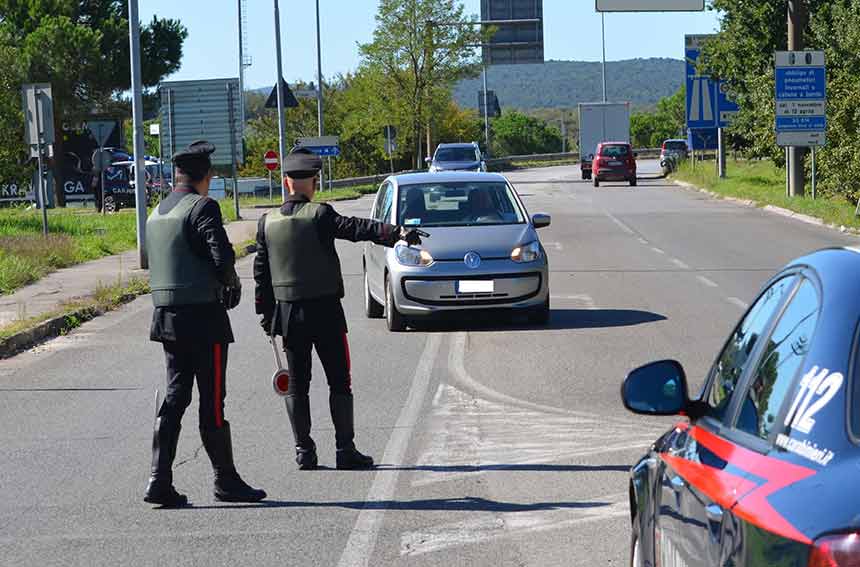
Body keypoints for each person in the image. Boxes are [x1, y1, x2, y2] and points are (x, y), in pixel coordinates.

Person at [254, 148, 422, 470]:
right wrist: (397, 234)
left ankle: (304, 451)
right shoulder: (320, 215)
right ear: (312, 183)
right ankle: (345, 450)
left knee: (298, 385)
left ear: (286, 182)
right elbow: (355, 228)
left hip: (289, 315)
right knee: (339, 381)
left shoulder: (266, 223)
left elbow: (261, 276)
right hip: (326, 313)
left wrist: (266, 316)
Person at [144, 140, 266, 507]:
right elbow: (221, 254)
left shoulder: (157, 212)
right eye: (211, 175)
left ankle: (158, 479)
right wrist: (231, 283)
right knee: (212, 402)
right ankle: (225, 480)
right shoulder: (203, 207)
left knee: (175, 397)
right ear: (204, 176)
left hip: (167, 318)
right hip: (203, 319)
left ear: (177, 175)